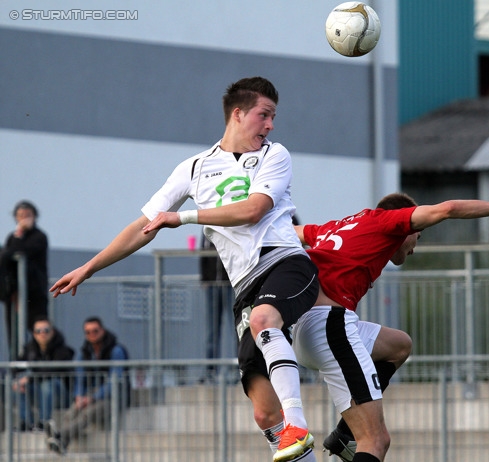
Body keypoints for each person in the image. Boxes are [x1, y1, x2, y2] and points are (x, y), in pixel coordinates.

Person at [50, 77, 319, 462]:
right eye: (265, 115)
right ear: (238, 114)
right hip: (245, 286)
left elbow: (253, 209)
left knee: (263, 320)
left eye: (274, 117)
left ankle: (298, 421)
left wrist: (184, 217)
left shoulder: (275, 155)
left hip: (284, 263)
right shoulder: (193, 168)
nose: (271, 125)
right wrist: (90, 267)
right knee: (263, 413)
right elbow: (142, 226)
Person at [291, 191, 489, 462]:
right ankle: (351, 437)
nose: (415, 246)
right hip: (330, 326)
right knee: (376, 440)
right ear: (406, 227)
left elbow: (288, 230)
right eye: (418, 234)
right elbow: (449, 207)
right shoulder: (386, 222)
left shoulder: (335, 227)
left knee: (399, 345)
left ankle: (345, 434)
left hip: (304, 330)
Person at [45, 317, 129, 455]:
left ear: (102, 331)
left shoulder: (116, 350)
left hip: (112, 398)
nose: (92, 335)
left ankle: (60, 436)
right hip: (91, 394)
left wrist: (93, 398)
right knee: (72, 412)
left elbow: (114, 381)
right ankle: (62, 441)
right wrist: (79, 396)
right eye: (88, 332)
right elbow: (80, 379)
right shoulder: (84, 353)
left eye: (95, 331)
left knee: (88, 413)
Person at [0, 200, 49, 358]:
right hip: (14, 295)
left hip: (34, 294)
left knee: (38, 332)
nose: (24, 219)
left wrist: (19, 237)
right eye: (20, 216)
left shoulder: (39, 237)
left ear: (35, 217)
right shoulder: (12, 237)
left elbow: (22, 251)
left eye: (28, 215)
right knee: (14, 336)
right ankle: (16, 371)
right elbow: (6, 255)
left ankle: (38, 368)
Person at [12, 316, 74, 432]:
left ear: (52, 332)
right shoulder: (30, 349)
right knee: (19, 386)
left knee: (48, 384)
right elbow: (16, 366)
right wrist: (16, 380)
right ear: (34, 334)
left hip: (62, 395)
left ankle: (44, 422)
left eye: (46, 330)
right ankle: (26, 423)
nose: (42, 334)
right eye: (38, 331)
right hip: (38, 392)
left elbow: (52, 371)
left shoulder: (63, 350)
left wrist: (29, 378)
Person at [199, 232, 233, 382]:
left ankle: (240, 368)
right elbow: (203, 253)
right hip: (212, 284)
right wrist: (204, 279)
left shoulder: (232, 222)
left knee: (237, 328)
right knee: (211, 330)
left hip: (231, 283)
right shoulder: (206, 226)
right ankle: (211, 370)